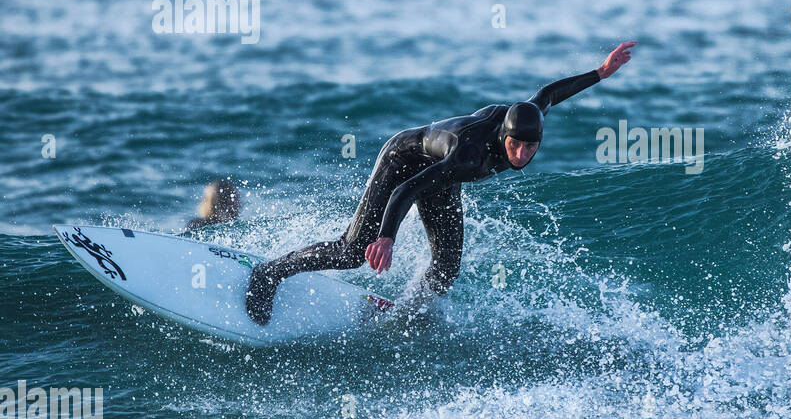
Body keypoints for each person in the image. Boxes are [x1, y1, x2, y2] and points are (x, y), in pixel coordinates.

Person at [244, 41, 637, 325]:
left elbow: (549, 94)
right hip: (403, 160)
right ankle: (270, 274)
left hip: (440, 173)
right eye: (515, 146)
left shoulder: (529, 116)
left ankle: (401, 315)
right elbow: (407, 188)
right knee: (352, 251)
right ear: (505, 137)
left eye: (530, 148)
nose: (521, 155)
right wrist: (386, 236)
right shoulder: (471, 154)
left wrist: (601, 72)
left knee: (446, 269)